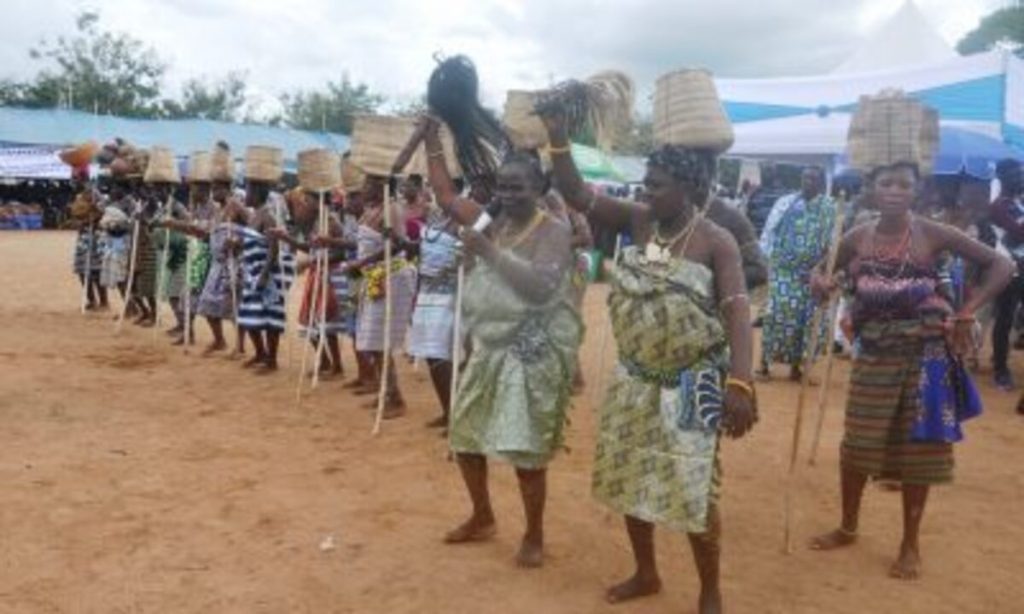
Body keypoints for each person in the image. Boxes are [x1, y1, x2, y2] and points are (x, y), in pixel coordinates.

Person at [537, 106, 756, 613]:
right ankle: (646, 572)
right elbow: (577, 195)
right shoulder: (639, 223)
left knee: (697, 485)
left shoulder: (715, 243)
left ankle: (710, 590)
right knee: (632, 476)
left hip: (695, 383)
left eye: (656, 185)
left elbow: (738, 312)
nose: (646, 192)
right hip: (635, 381)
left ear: (688, 188)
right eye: (645, 183)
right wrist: (557, 137)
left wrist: (741, 383)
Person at [809, 160, 1013, 579]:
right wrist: (822, 284)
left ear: (916, 191)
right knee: (858, 443)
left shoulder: (931, 232)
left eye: (905, 184)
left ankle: (909, 544)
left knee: (919, 450)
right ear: (872, 188)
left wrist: (969, 310)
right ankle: (847, 527)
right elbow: (820, 270)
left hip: (926, 356)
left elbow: (1003, 266)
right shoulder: (857, 234)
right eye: (886, 182)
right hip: (873, 354)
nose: (895, 191)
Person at [421, 116, 583, 570]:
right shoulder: (492, 222)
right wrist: (435, 140)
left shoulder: (554, 230)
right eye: (503, 187)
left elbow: (541, 288)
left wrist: (488, 252)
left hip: (531, 350)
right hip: (488, 347)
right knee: (465, 435)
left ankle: (534, 532)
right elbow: (447, 198)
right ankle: (483, 515)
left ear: (540, 188)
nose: (509, 195)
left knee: (525, 447)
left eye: (518, 188)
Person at [349, 175, 417, 416]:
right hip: (375, 278)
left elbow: (399, 246)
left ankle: (395, 398)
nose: (362, 188)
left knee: (380, 339)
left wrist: (362, 262)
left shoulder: (393, 210)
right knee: (372, 339)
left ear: (381, 185)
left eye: (367, 184)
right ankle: (385, 391)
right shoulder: (372, 211)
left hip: (392, 278)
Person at [758, 167, 835, 380]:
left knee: (805, 321)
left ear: (821, 184)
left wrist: (820, 269)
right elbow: (769, 232)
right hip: (784, 272)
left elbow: (832, 242)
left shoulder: (828, 208)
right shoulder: (786, 203)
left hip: (811, 275)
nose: (807, 182)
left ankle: (796, 367)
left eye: (812, 179)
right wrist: (769, 261)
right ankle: (764, 364)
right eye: (804, 178)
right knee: (776, 316)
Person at [405, 195, 462, 429]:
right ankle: (447, 411)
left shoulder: (465, 221)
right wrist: (399, 240)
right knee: (431, 354)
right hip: (427, 295)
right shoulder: (436, 217)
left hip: (450, 296)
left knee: (446, 355)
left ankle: (457, 416)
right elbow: (420, 249)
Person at [236, 177, 294, 372]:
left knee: (270, 317)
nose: (245, 194)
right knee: (249, 315)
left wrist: (264, 274)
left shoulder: (267, 216)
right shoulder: (253, 216)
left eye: (249, 190)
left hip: (266, 273)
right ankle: (260, 353)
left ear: (258, 192)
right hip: (252, 271)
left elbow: (274, 247)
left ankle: (272, 360)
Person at [989, 158, 1024, 391]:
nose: (1020, 176)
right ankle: (1000, 369)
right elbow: (1017, 234)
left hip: (1021, 266)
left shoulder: (1018, 204)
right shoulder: (998, 206)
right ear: (1002, 177)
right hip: (1006, 268)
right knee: (1005, 318)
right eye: (1015, 173)